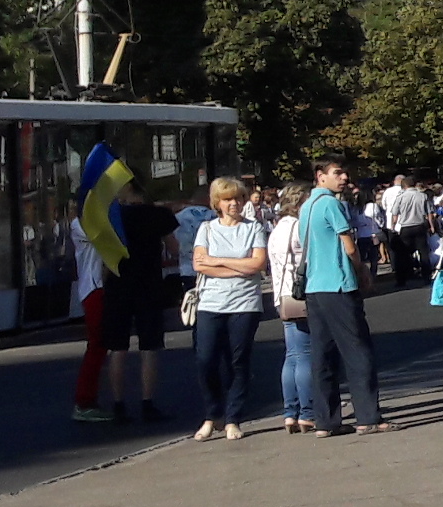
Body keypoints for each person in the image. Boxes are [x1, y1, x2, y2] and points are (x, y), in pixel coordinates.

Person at [298, 159, 386, 437]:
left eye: (345, 172)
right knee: (357, 350)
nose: (344, 178)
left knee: (322, 354)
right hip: (338, 284)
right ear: (320, 176)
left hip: (315, 287)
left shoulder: (306, 206)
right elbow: (348, 245)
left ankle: (326, 420)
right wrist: (362, 270)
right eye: (337, 173)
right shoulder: (331, 204)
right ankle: (368, 417)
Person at [186, 177, 267, 442]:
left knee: (237, 361)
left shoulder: (254, 228)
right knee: (205, 359)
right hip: (211, 303)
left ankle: (233, 418)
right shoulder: (207, 229)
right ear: (217, 203)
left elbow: (257, 264)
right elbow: (199, 265)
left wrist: (216, 261)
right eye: (228, 199)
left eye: (239, 198)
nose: (235, 203)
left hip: (245, 304)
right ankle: (213, 415)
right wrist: (238, 266)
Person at [94, 181, 179, 426]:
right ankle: (147, 403)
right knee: (149, 347)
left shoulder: (112, 217)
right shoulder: (159, 215)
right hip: (149, 284)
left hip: (118, 285)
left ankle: (118, 405)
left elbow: (105, 256)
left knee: (118, 348)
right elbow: (174, 248)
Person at [266, 191, 315, 434]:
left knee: (292, 355)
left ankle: (290, 412)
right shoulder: (299, 227)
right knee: (305, 354)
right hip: (301, 295)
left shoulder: (277, 229)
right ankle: (308, 411)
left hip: (282, 296)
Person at [378, 172, 433, 289]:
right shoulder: (422, 196)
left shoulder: (401, 197)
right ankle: (426, 277)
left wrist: (393, 226)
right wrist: (431, 226)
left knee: (402, 254)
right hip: (419, 225)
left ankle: (401, 279)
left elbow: (395, 214)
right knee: (423, 252)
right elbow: (429, 213)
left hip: (406, 227)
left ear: (404, 186)